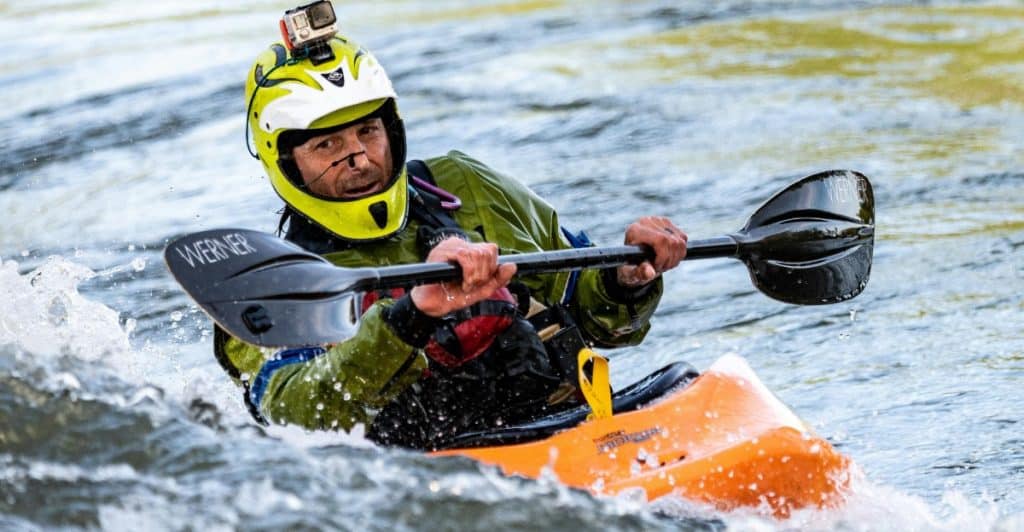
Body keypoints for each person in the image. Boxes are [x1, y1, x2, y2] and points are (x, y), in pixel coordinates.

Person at [214, 34, 688, 450]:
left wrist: (626, 281)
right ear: (286, 161)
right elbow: (296, 414)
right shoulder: (264, 283)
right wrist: (410, 318)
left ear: (392, 129)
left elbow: (591, 316)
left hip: (574, 430)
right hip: (420, 474)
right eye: (327, 145)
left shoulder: (468, 186)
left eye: (367, 131)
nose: (358, 157)